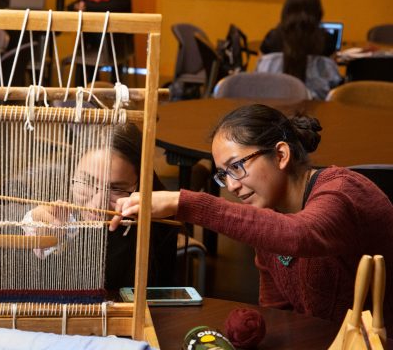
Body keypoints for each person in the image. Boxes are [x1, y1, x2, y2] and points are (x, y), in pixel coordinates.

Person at [113, 104, 393, 331]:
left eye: (236, 167)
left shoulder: (343, 191)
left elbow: (298, 235)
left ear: (281, 155)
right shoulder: (268, 217)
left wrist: (182, 201)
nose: (232, 185)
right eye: (223, 174)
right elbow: (278, 312)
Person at [27, 124, 178, 290]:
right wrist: (32, 227)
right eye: (88, 181)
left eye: (116, 188)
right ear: (72, 171)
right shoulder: (47, 194)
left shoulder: (159, 222)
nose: (98, 203)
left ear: (139, 186)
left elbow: (158, 297)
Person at [256, 0, 341, 99]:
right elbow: (333, 80)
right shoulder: (327, 40)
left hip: (273, 106)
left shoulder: (272, 37)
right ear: (318, 11)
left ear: (286, 10)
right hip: (316, 109)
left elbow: (259, 73)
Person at [67, 0, 133, 86]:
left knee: (91, 37)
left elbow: (113, 8)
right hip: (90, 39)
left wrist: (87, 6)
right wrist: (77, 6)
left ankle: (95, 83)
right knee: (85, 38)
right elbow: (72, 5)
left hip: (114, 40)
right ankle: (83, 87)